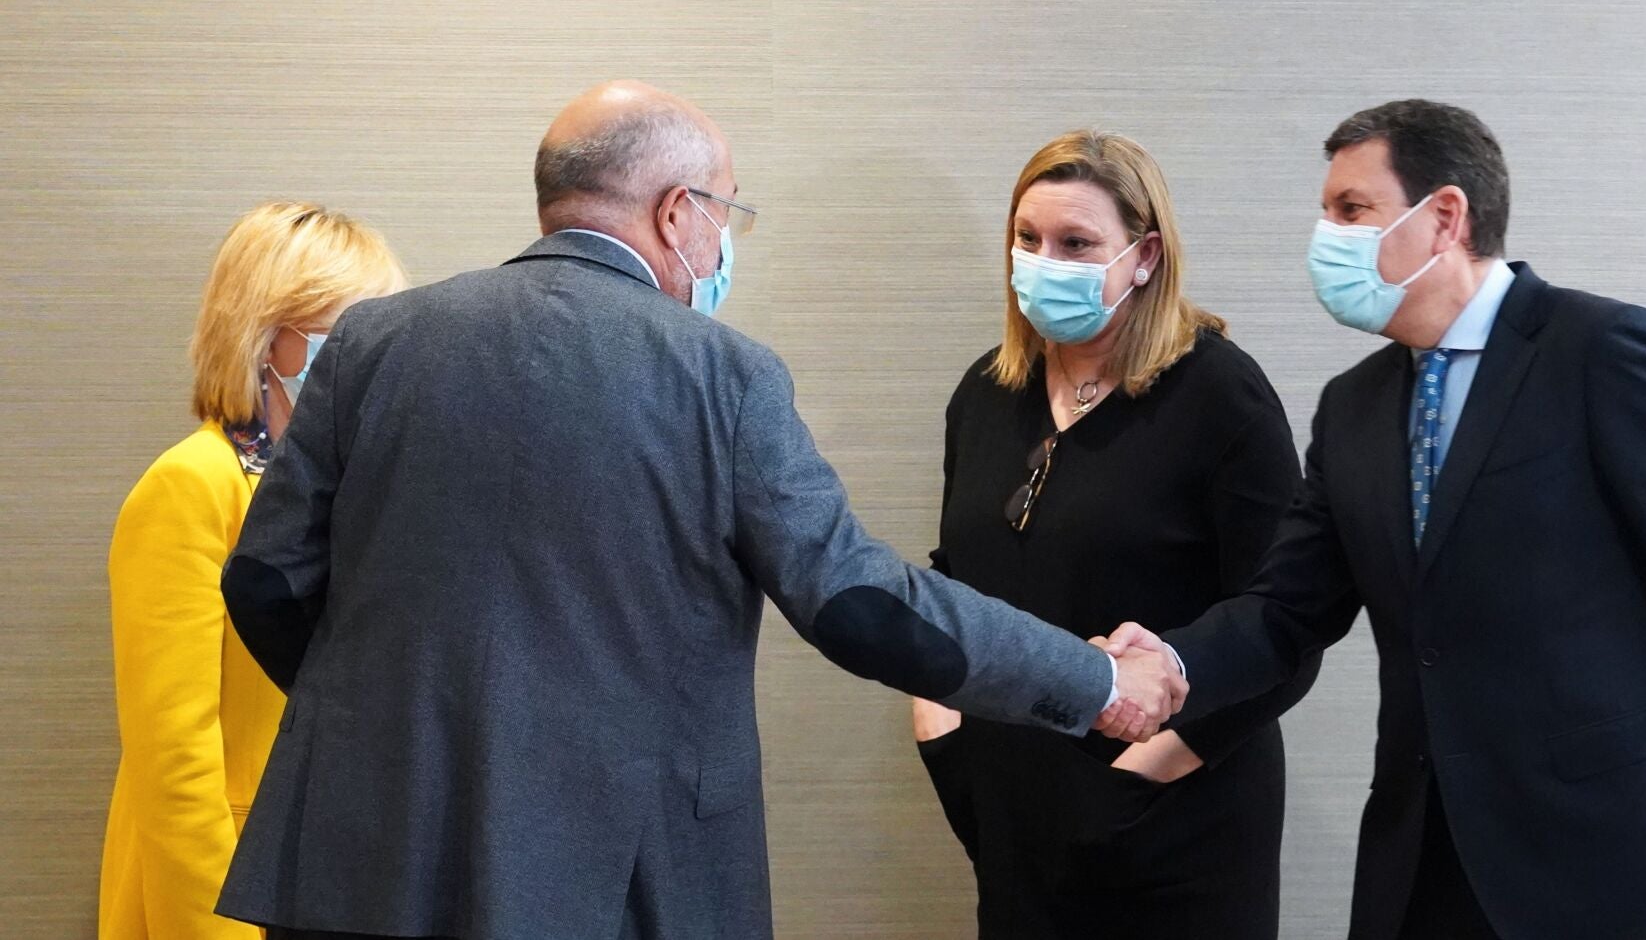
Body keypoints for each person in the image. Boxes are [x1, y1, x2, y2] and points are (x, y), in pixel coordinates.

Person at [210, 81, 1187, 940]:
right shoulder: (721, 375)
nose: (723, 245)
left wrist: (388, 728)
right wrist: (1095, 679)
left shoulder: (373, 342)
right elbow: (856, 600)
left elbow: (263, 579)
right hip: (615, 879)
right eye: (727, 213)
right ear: (678, 212)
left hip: (353, 862)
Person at [1102, 100, 1646, 940]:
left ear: (1444, 217)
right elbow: (1286, 609)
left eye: (1352, 210)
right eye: (1326, 212)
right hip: (1423, 858)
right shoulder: (1352, 406)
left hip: (1607, 857)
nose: (1328, 237)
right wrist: (1170, 659)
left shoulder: (1602, 350)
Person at [911, 130, 1319, 938]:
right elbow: (956, 579)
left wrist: (1135, 778)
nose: (1044, 261)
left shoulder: (1219, 394)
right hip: (1015, 831)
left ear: (1144, 256)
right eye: (1028, 238)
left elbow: (1285, 627)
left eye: (1076, 243)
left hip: (1178, 840)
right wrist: (942, 736)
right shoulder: (988, 391)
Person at [99, 202, 407, 940]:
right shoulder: (193, 485)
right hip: (226, 890)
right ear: (267, 339)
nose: (368, 363)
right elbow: (173, 763)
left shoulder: (354, 491)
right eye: (345, 337)